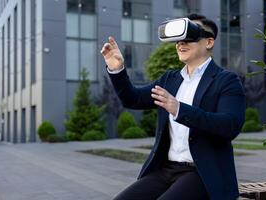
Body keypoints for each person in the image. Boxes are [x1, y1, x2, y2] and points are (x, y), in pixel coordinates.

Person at [100, 14, 245, 200]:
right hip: (166, 169)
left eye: (190, 36)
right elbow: (133, 99)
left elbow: (230, 126)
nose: (180, 44)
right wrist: (117, 70)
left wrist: (179, 109)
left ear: (209, 42)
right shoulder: (170, 79)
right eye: (178, 40)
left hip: (202, 173)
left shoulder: (227, 81)